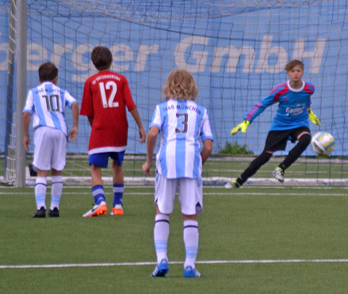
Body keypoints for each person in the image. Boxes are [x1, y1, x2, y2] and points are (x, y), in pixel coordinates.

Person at [142, 69, 213, 278]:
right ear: (192, 86)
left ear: (169, 85)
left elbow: (153, 133)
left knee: (162, 211)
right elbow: (208, 146)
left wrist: (148, 160)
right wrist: (198, 162)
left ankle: (162, 259)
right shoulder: (200, 111)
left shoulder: (162, 108)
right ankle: (189, 265)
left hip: (167, 162)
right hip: (191, 161)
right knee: (189, 213)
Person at [225, 59, 321, 188]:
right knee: (265, 156)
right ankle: (239, 181)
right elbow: (261, 105)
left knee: (305, 139)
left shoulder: (310, 88)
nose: (296, 74)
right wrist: (247, 120)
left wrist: (309, 112)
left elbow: (306, 99)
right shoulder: (280, 90)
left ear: (303, 72)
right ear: (287, 73)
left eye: (299, 70)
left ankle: (281, 168)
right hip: (280, 125)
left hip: (299, 123)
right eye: (292, 71)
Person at [80, 46, 146, 217]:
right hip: (119, 130)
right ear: (111, 61)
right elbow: (130, 105)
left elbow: (88, 113)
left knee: (95, 168)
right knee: (118, 165)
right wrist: (140, 126)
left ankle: (100, 202)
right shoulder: (121, 79)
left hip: (100, 129)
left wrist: (95, 125)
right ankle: (117, 205)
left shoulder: (90, 82)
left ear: (94, 63)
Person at [23, 62, 79, 218]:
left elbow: (26, 114)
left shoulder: (33, 92)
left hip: (43, 130)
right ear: (55, 79)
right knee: (57, 170)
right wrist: (75, 126)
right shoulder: (61, 91)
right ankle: (55, 208)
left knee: (42, 170)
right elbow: (74, 103)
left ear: (39, 79)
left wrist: (25, 135)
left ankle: (41, 207)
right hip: (60, 131)